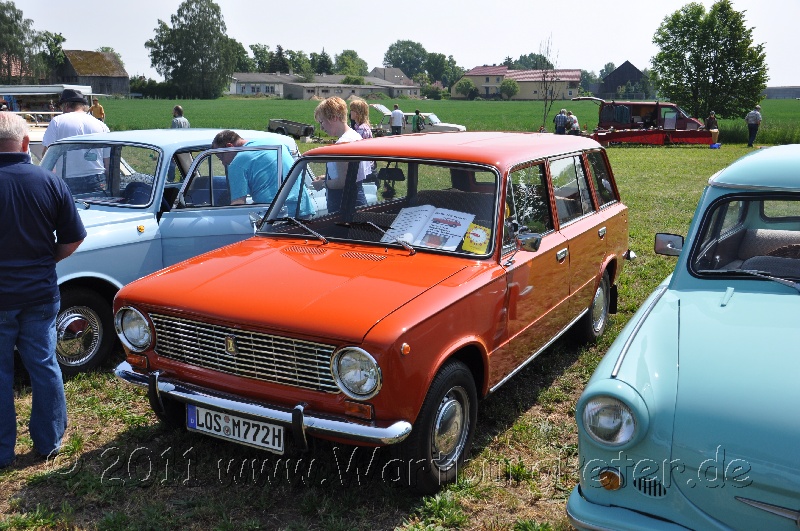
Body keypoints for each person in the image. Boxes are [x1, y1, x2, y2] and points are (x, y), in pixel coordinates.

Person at [0, 112, 86, 469]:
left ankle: (2, 451)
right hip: (39, 293)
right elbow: (74, 238)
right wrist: (45, 260)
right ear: (25, 143)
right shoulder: (49, 182)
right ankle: (48, 442)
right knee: (45, 366)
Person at [42, 89, 110, 193]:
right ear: (83, 105)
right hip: (97, 177)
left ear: (66, 106)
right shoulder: (101, 125)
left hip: (67, 177)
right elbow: (107, 160)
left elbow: (47, 155)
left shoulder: (57, 121)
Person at [313, 96, 371, 212]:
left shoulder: (343, 143)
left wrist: (323, 183)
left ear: (334, 118)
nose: (321, 127)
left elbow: (343, 181)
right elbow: (352, 173)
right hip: (355, 200)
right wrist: (327, 176)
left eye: (322, 121)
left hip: (344, 206)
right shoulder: (355, 136)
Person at [211, 130, 295, 205]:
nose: (223, 163)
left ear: (229, 147)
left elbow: (238, 204)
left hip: (277, 214)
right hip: (302, 207)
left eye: (221, 157)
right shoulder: (275, 142)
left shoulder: (237, 163)